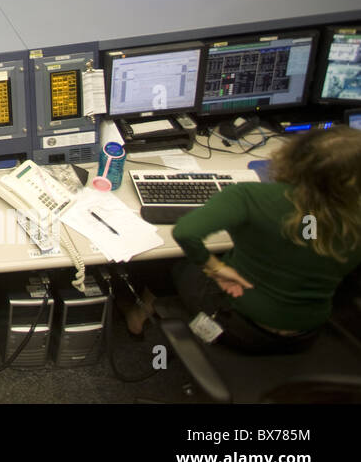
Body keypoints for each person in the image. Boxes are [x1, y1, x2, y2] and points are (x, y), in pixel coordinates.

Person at [153, 128, 361, 354]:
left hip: (241, 329)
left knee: (175, 264)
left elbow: (185, 232)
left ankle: (141, 310)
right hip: (306, 333)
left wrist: (216, 269)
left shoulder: (249, 196)